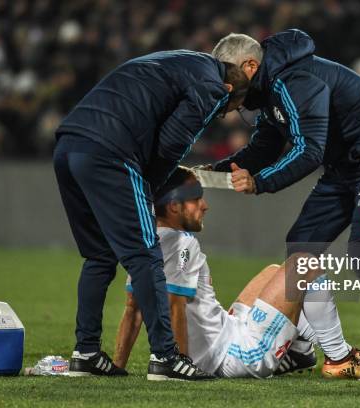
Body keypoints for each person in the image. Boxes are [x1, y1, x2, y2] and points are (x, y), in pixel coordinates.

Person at [209, 30, 360, 381]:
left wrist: (259, 182)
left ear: (249, 65)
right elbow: (263, 147)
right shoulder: (271, 87)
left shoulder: (293, 80)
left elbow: (309, 150)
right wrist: (211, 172)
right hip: (344, 166)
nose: (225, 87)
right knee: (301, 249)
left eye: (227, 75)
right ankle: (304, 348)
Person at [53, 50, 249, 380]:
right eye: (228, 110)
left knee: (99, 255)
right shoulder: (213, 86)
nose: (222, 115)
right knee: (146, 256)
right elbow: (174, 141)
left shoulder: (180, 59)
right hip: (111, 151)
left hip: (68, 144)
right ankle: (166, 358)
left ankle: (85, 353)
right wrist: (150, 185)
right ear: (228, 90)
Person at [113, 167, 360, 379]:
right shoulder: (183, 243)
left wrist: (118, 367)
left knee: (273, 272)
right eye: (196, 199)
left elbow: (133, 309)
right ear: (173, 206)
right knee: (304, 262)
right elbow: (174, 306)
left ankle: (299, 352)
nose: (205, 206)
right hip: (235, 355)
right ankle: (339, 357)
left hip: (227, 333)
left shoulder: (148, 244)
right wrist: (181, 366)